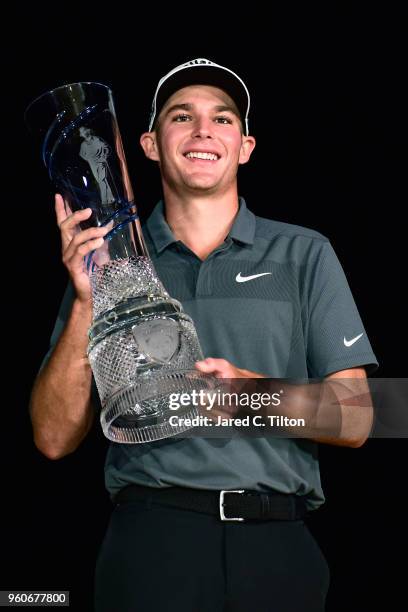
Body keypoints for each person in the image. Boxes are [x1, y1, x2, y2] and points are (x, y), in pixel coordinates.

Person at [29, 58, 378, 612]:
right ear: (145, 145)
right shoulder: (108, 264)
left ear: (245, 147)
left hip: (276, 545)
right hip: (151, 544)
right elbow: (51, 439)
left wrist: (246, 398)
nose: (203, 131)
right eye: (181, 116)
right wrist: (86, 300)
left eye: (223, 119)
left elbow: (361, 417)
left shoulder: (304, 253)